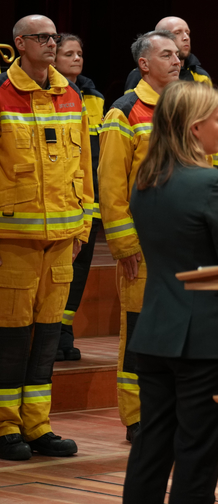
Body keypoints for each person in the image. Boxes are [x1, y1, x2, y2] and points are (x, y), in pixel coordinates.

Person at [121, 81, 218, 504]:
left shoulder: (144, 182)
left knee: (151, 447)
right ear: (195, 128)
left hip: (154, 331)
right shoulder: (214, 184)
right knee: (198, 454)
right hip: (205, 338)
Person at [0, 15, 92, 461]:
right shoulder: (1, 93)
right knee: (11, 336)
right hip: (11, 239)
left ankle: (38, 425)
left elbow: (84, 169)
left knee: (47, 337)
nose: (52, 43)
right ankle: (4, 427)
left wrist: (83, 226)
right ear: (20, 43)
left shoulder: (71, 95)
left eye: (55, 37)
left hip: (62, 239)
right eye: (42, 37)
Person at [99, 30, 182, 442]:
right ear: (143, 65)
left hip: (184, 245)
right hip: (144, 247)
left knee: (177, 332)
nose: (177, 60)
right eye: (165, 54)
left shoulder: (186, 108)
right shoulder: (124, 112)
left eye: (177, 54)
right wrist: (124, 244)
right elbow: (111, 187)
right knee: (140, 331)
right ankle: (138, 417)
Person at [53, 34, 104, 362]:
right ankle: (48, 333)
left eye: (80, 53)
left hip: (90, 198)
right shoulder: (53, 93)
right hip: (59, 198)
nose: (76, 59)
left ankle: (65, 332)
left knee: (79, 271)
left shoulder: (94, 96)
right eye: (68, 54)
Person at [123, 17, 211, 94]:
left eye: (187, 33)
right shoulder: (139, 74)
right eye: (177, 32)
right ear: (161, 37)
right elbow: (131, 106)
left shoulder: (200, 75)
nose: (186, 38)